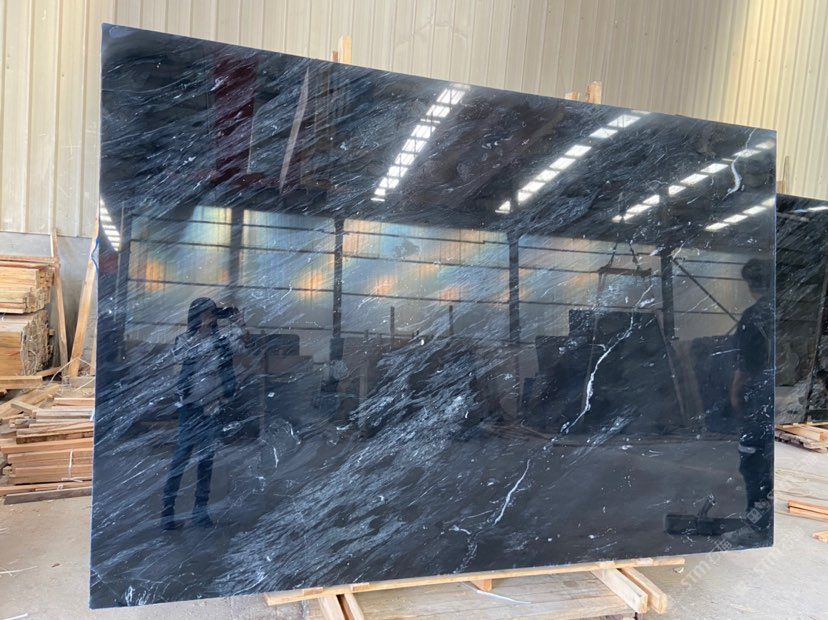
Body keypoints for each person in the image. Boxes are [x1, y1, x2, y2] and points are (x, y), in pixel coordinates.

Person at [161, 298, 241, 530]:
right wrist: (200, 331)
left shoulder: (221, 340)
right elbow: (179, 357)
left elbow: (245, 345)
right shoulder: (184, 339)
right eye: (205, 313)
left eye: (212, 313)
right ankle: (167, 515)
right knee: (181, 459)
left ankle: (201, 513)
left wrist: (240, 323)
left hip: (212, 407)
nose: (210, 317)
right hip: (190, 407)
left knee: (206, 461)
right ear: (195, 315)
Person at [727, 258, 774, 542]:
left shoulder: (754, 315)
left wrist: (735, 392)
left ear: (750, 284)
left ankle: (757, 528)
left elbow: (747, 363)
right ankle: (770, 521)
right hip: (780, 396)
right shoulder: (782, 311)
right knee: (771, 458)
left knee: (753, 461)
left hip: (759, 397)